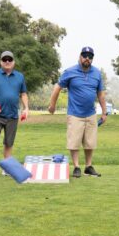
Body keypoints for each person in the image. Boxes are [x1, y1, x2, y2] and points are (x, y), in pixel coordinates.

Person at [48, 46, 107, 178]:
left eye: (90, 56)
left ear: (92, 59)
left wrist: (104, 112)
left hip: (91, 113)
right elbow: (57, 87)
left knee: (90, 142)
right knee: (74, 142)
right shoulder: (70, 72)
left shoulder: (97, 73)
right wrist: (52, 105)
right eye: (85, 56)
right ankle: (76, 166)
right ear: (80, 57)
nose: (87, 58)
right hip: (75, 113)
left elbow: (101, 94)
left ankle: (88, 166)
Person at [0, 51, 30, 178]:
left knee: (9, 143)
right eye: (4, 60)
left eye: (10, 59)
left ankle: (6, 168)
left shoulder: (20, 77)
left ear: (13, 62)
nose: (7, 62)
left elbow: (23, 94)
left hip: (13, 115)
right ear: (0, 62)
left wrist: (26, 108)